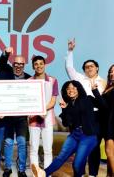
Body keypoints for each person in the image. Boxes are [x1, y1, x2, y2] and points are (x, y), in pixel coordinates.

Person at [31, 80, 103, 177]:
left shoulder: (88, 99)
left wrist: (95, 91)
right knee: (61, 157)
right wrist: (64, 109)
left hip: (88, 136)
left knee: (77, 164)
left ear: (78, 89)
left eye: (73, 88)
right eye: (68, 88)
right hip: (74, 135)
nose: (70, 90)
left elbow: (103, 105)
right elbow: (66, 123)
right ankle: (43, 173)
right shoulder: (68, 105)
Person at [65, 38, 106, 177]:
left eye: (91, 66)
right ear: (84, 70)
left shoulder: (104, 83)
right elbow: (69, 68)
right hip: (80, 117)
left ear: (97, 68)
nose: (89, 68)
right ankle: (80, 174)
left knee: (94, 148)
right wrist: (70, 51)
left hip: (96, 118)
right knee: (79, 147)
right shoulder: (79, 79)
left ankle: (93, 174)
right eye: (86, 67)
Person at [0, 47, 30, 177]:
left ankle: (21, 169)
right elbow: (0, 64)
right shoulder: (6, 73)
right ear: (13, 64)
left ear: (24, 65)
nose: (18, 66)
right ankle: (7, 168)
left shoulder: (29, 78)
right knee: (9, 142)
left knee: (22, 142)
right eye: (16, 64)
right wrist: (6, 54)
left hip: (22, 117)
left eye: (21, 64)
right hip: (8, 116)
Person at [28, 56, 58, 169]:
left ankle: (47, 173)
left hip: (47, 118)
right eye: (36, 64)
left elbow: (53, 100)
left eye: (41, 63)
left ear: (45, 65)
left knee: (48, 150)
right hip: (33, 119)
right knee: (33, 149)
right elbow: (28, 100)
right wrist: (35, 111)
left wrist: (43, 110)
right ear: (33, 66)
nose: (39, 66)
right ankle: (35, 174)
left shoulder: (53, 80)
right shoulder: (29, 81)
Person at [102, 64, 114, 175]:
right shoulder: (108, 87)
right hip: (107, 122)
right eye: (111, 71)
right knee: (110, 152)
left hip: (112, 122)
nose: (112, 74)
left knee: (109, 152)